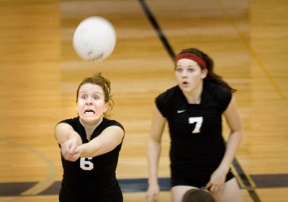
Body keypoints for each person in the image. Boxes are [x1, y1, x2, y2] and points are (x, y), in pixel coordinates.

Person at [146, 48, 243, 202]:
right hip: (184, 175)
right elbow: (153, 140)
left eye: (191, 70)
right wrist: (153, 182)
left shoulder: (220, 95)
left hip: (217, 169)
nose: (184, 75)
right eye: (179, 70)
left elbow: (237, 131)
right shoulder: (166, 101)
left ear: (203, 73)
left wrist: (223, 170)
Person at [54, 73, 125, 202]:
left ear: (105, 106)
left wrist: (79, 150)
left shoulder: (115, 130)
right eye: (83, 97)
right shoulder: (62, 126)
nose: (88, 101)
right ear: (76, 105)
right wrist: (74, 141)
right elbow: (71, 135)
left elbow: (96, 146)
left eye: (96, 97)